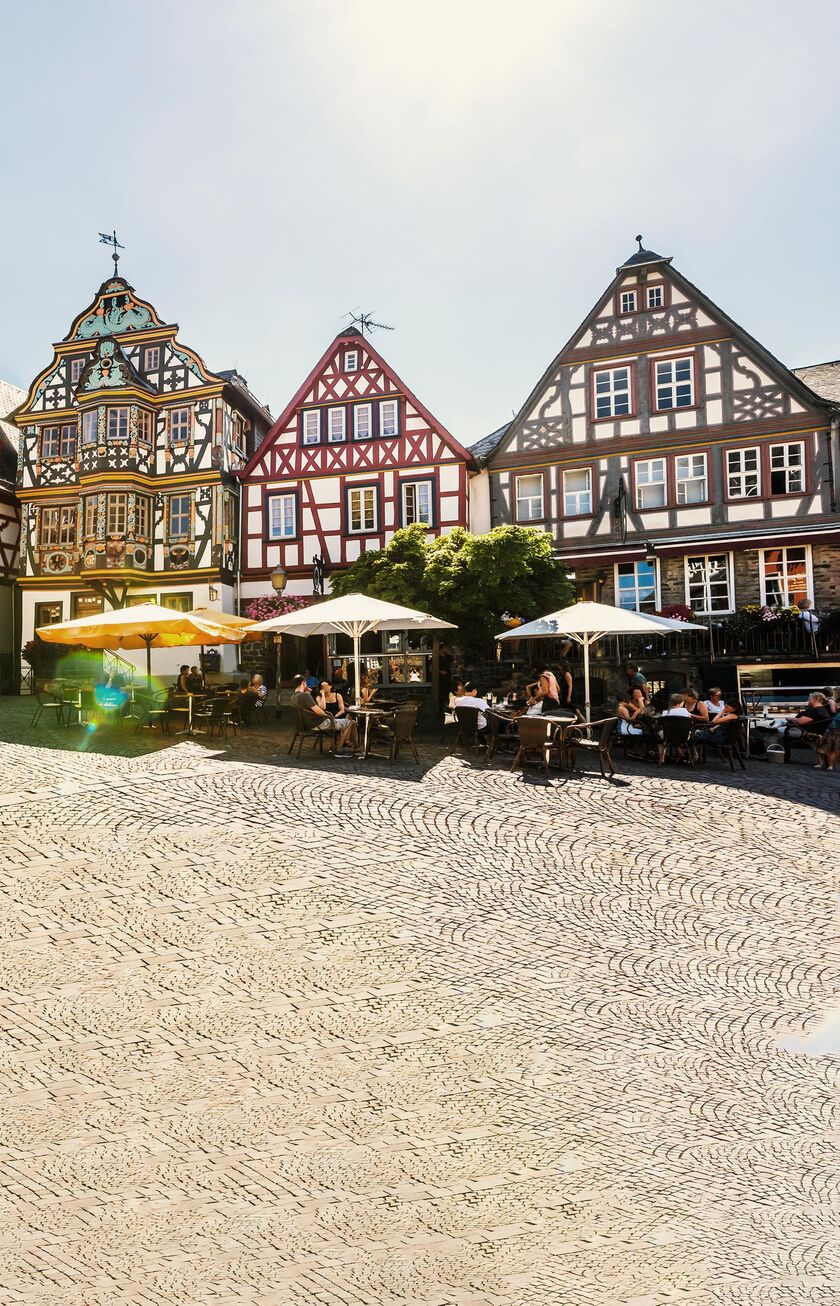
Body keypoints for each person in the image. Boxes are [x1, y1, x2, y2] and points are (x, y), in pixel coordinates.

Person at [292, 673, 358, 755]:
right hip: (318, 723)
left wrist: (308, 694)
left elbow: (308, 707)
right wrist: (329, 717)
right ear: (303, 683)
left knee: (348, 722)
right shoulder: (305, 696)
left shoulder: (294, 696)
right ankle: (339, 748)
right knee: (350, 722)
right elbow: (319, 711)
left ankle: (353, 746)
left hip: (304, 725)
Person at [782, 691, 831, 763]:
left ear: (815, 699)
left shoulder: (813, 710)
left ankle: (781, 756)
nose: (808, 700)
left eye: (809, 698)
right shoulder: (823, 710)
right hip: (818, 732)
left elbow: (801, 721)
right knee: (779, 727)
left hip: (806, 733)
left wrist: (790, 719)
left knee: (777, 731)